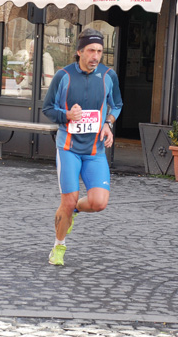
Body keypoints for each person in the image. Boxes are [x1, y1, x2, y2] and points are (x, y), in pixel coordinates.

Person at [42, 28, 123, 266]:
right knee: (67, 200)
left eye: (99, 51)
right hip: (68, 148)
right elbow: (48, 109)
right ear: (79, 52)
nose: (95, 56)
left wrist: (108, 123)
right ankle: (58, 246)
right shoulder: (63, 76)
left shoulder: (109, 76)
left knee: (99, 203)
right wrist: (67, 114)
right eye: (90, 51)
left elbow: (116, 104)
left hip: (95, 150)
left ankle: (73, 210)